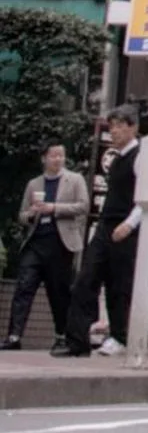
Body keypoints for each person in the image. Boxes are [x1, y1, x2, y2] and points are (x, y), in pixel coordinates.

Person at [61, 108, 143, 357]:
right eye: (112, 126)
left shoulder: (140, 158)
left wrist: (130, 224)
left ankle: (119, 336)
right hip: (105, 226)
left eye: (119, 126)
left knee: (119, 284)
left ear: (133, 127)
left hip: (124, 228)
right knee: (85, 280)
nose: (114, 131)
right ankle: (76, 341)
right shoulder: (117, 160)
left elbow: (147, 198)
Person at [5, 141, 88, 351]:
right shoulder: (34, 184)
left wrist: (54, 208)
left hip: (61, 243)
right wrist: (32, 213)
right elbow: (22, 216)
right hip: (36, 242)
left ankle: (61, 335)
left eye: (61, 155)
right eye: (53, 155)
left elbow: (83, 206)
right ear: (44, 158)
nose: (58, 159)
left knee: (58, 291)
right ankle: (14, 336)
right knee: (24, 286)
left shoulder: (75, 180)